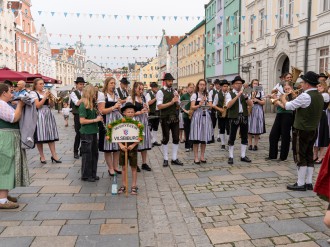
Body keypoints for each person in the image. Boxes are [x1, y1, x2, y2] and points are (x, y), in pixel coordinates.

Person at [281, 71, 324, 191]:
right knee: (309, 155)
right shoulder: (320, 95)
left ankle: (300, 183)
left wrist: (283, 98)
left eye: (303, 82)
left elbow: (289, 106)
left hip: (301, 130)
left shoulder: (306, 96)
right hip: (313, 129)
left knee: (300, 155)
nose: (302, 84)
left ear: (307, 84)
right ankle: (309, 182)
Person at [0, 83, 29, 209]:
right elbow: (14, 118)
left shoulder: (5, 104)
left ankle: (3, 195)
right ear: (4, 93)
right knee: (6, 164)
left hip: (7, 137)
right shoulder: (1, 104)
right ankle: (2, 199)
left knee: (6, 164)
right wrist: (21, 105)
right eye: (10, 92)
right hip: (6, 137)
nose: (12, 94)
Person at [30, 78, 61, 164]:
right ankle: (42, 156)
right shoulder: (33, 93)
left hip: (48, 114)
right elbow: (38, 105)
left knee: (51, 135)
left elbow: (51, 105)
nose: (42, 85)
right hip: (39, 115)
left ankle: (54, 155)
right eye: (40, 84)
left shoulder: (45, 92)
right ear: (35, 85)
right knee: (40, 136)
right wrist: (45, 97)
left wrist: (50, 99)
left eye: (43, 84)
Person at [156, 73, 183, 167]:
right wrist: (171, 102)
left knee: (176, 138)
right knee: (165, 138)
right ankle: (165, 159)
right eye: (169, 81)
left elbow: (178, 106)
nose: (171, 82)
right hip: (165, 118)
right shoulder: (160, 92)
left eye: (172, 81)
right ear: (165, 81)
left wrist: (178, 100)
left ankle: (174, 158)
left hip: (175, 117)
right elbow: (159, 106)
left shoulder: (174, 91)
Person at [97, 77, 122, 176]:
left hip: (116, 121)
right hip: (106, 121)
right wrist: (113, 107)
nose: (113, 85)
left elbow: (118, 110)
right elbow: (101, 110)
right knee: (107, 146)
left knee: (116, 146)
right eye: (111, 83)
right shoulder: (102, 95)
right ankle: (110, 168)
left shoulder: (116, 95)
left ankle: (115, 166)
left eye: (114, 83)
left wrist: (119, 107)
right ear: (106, 84)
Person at [226, 76, 253, 165]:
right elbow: (229, 105)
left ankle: (243, 155)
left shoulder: (244, 93)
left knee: (244, 136)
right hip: (234, 117)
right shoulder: (229, 94)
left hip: (244, 116)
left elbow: (251, 104)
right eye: (237, 83)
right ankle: (231, 156)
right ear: (233, 85)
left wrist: (245, 97)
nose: (239, 85)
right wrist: (238, 95)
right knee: (232, 136)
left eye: (241, 84)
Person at [79, 85, 103, 182]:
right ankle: (86, 175)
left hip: (93, 131)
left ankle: (93, 173)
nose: (95, 95)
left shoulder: (92, 104)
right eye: (94, 93)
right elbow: (82, 121)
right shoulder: (83, 105)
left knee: (94, 154)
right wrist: (95, 120)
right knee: (87, 154)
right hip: (86, 132)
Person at [126, 82, 152, 172]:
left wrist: (147, 108)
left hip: (144, 121)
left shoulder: (143, 97)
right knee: (136, 143)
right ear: (135, 89)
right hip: (135, 122)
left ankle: (144, 163)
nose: (141, 91)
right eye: (139, 89)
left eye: (142, 89)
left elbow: (148, 109)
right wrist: (139, 112)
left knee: (144, 142)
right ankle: (135, 163)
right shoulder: (130, 99)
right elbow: (128, 113)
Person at [266, 82, 295, 161]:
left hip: (288, 116)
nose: (287, 90)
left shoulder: (293, 96)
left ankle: (283, 156)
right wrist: (273, 97)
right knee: (273, 135)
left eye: (288, 89)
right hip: (279, 115)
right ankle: (272, 155)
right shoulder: (282, 95)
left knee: (285, 136)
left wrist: (277, 100)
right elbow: (275, 105)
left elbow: (285, 106)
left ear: (292, 89)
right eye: (285, 89)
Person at [117, 103, 140, 195]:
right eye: (128, 112)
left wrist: (134, 145)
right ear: (124, 113)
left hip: (133, 148)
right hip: (123, 148)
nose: (130, 113)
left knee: (133, 167)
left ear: (134, 113)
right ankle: (124, 185)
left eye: (132, 112)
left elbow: (140, 136)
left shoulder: (137, 123)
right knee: (123, 167)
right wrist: (121, 145)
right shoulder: (120, 123)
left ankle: (134, 185)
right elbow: (116, 135)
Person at [189, 79, 213, 164]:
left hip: (205, 116)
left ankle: (202, 156)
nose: (202, 86)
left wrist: (206, 104)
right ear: (198, 85)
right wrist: (199, 104)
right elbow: (192, 107)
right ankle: (196, 157)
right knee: (196, 137)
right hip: (197, 116)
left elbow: (210, 107)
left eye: (204, 85)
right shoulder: (194, 95)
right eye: (201, 84)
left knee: (204, 137)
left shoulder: (208, 94)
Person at [313, 80, 329, 164]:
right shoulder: (318, 94)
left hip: (321, 116)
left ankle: (321, 156)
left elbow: (316, 101)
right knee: (315, 136)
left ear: (324, 87)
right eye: (317, 86)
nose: (318, 88)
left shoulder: (325, 95)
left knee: (321, 136)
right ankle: (315, 155)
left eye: (320, 86)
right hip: (316, 116)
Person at [70, 77, 86, 159]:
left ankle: (82, 150)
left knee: (84, 133)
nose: (82, 86)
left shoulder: (85, 92)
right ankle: (75, 151)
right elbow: (77, 103)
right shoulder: (73, 93)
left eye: (83, 84)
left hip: (85, 114)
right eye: (80, 84)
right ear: (76, 84)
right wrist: (85, 98)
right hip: (77, 114)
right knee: (78, 133)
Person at [247, 79, 266, 151]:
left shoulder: (261, 91)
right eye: (254, 83)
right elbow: (244, 100)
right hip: (250, 109)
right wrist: (249, 102)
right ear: (252, 84)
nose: (255, 85)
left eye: (257, 84)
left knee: (257, 127)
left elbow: (263, 102)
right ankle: (250, 144)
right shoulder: (248, 90)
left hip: (258, 109)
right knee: (249, 127)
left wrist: (257, 100)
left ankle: (255, 145)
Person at [212, 80, 230, 150]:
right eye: (224, 86)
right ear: (222, 87)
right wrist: (220, 109)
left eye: (227, 86)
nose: (226, 88)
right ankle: (223, 143)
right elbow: (214, 105)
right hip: (221, 114)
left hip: (229, 114)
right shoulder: (217, 95)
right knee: (222, 129)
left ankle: (229, 143)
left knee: (228, 129)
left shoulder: (230, 94)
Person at [145, 82, 161, 147]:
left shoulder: (158, 93)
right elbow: (148, 103)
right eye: (155, 87)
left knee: (156, 127)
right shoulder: (148, 94)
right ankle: (150, 141)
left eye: (156, 87)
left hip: (157, 112)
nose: (156, 88)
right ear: (152, 88)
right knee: (150, 127)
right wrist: (155, 98)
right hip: (151, 112)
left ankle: (154, 140)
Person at [181, 83, 194, 152]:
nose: (191, 89)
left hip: (193, 115)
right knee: (187, 131)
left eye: (192, 87)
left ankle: (192, 145)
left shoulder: (194, 95)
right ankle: (187, 145)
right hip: (186, 115)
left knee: (193, 130)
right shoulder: (184, 96)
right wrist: (186, 111)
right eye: (190, 87)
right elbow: (181, 105)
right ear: (187, 88)